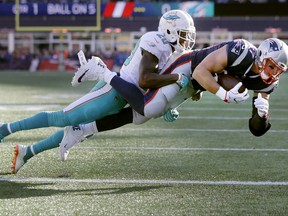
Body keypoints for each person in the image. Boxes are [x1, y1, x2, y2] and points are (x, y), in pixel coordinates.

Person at [5, 9, 197, 174]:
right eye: (183, 33)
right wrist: (176, 79)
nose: (186, 39)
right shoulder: (157, 41)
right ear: (169, 30)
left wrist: (168, 105)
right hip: (112, 92)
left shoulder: (171, 52)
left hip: (127, 96)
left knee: (78, 131)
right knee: (64, 118)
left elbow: (153, 83)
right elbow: (144, 79)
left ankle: (27, 152)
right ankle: (5, 129)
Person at [60, 37, 288, 160]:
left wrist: (262, 115)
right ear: (261, 56)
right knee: (147, 109)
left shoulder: (268, 83)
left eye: (278, 70)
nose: (274, 73)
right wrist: (224, 94)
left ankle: (85, 128)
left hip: (196, 85)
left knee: (139, 117)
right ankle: (104, 73)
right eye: (271, 65)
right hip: (188, 67)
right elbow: (201, 72)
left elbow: (256, 130)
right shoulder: (241, 50)